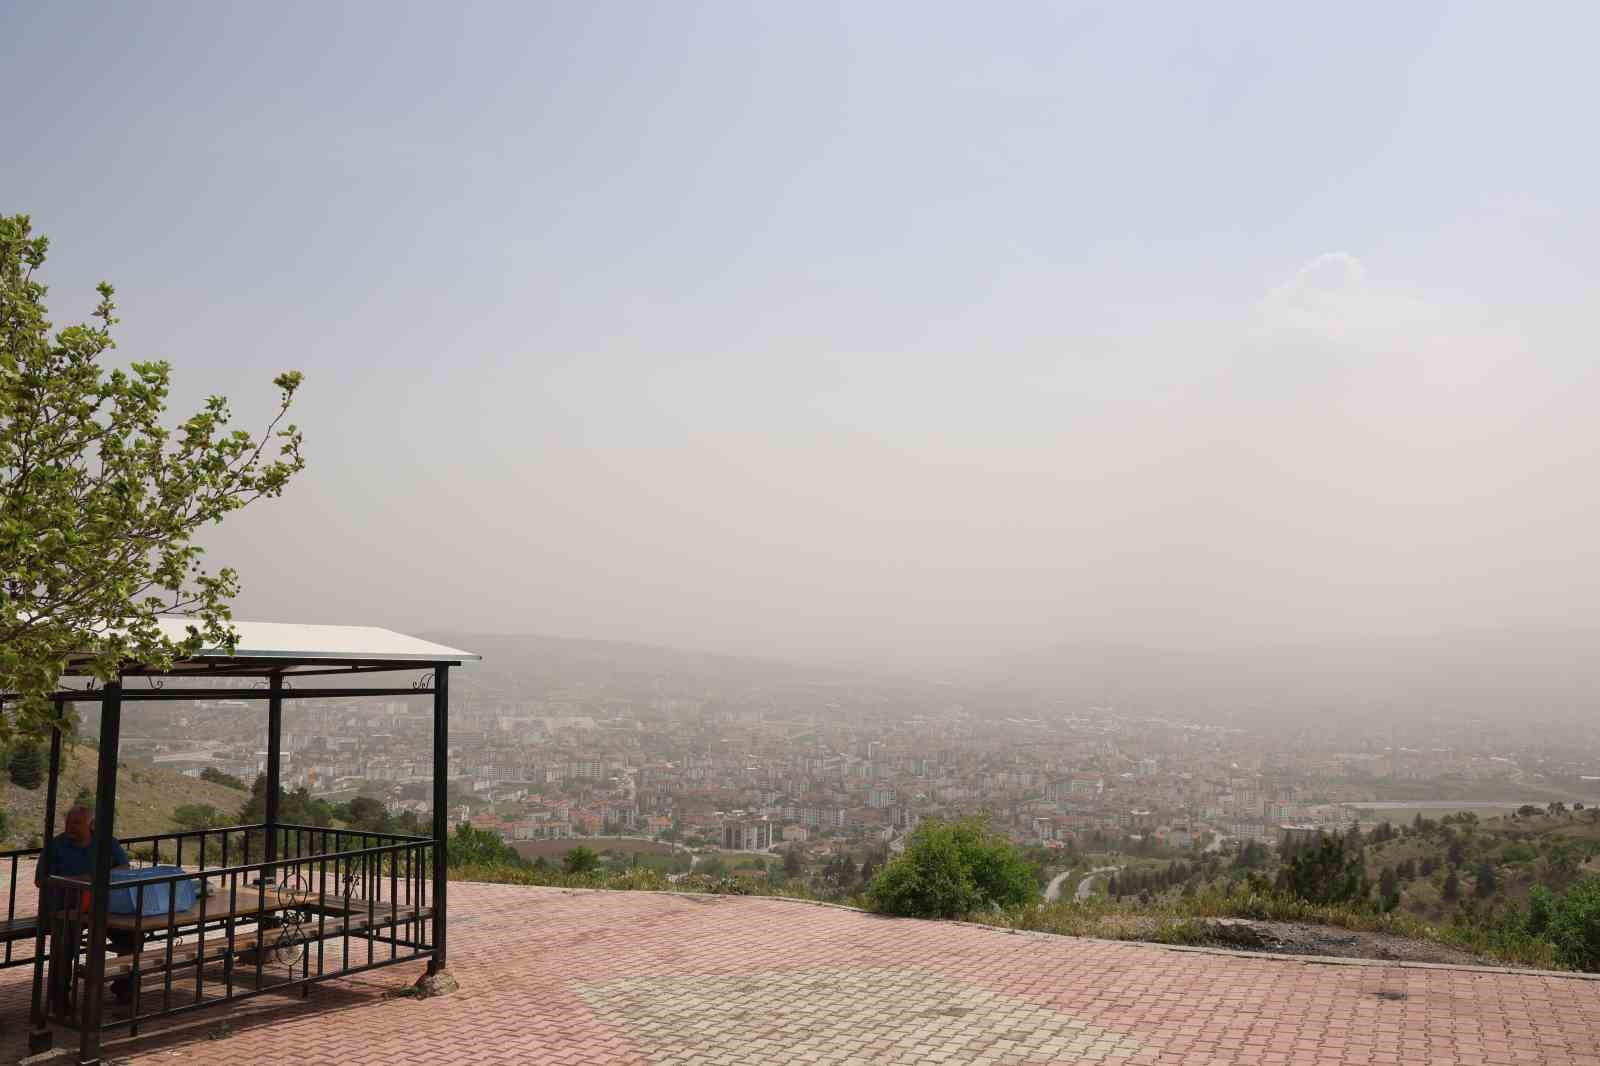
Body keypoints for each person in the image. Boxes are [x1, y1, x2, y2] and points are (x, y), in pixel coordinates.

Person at [36, 805, 138, 1005]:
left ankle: (123, 986)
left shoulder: (107, 842)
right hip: (66, 909)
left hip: (104, 907)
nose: (70, 828)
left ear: (91, 825)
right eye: (68, 823)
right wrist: (80, 881)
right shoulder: (56, 846)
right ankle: (58, 998)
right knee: (65, 945)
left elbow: (124, 866)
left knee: (132, 937)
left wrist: (98, 878)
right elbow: (41, 880)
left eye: (76, 823)